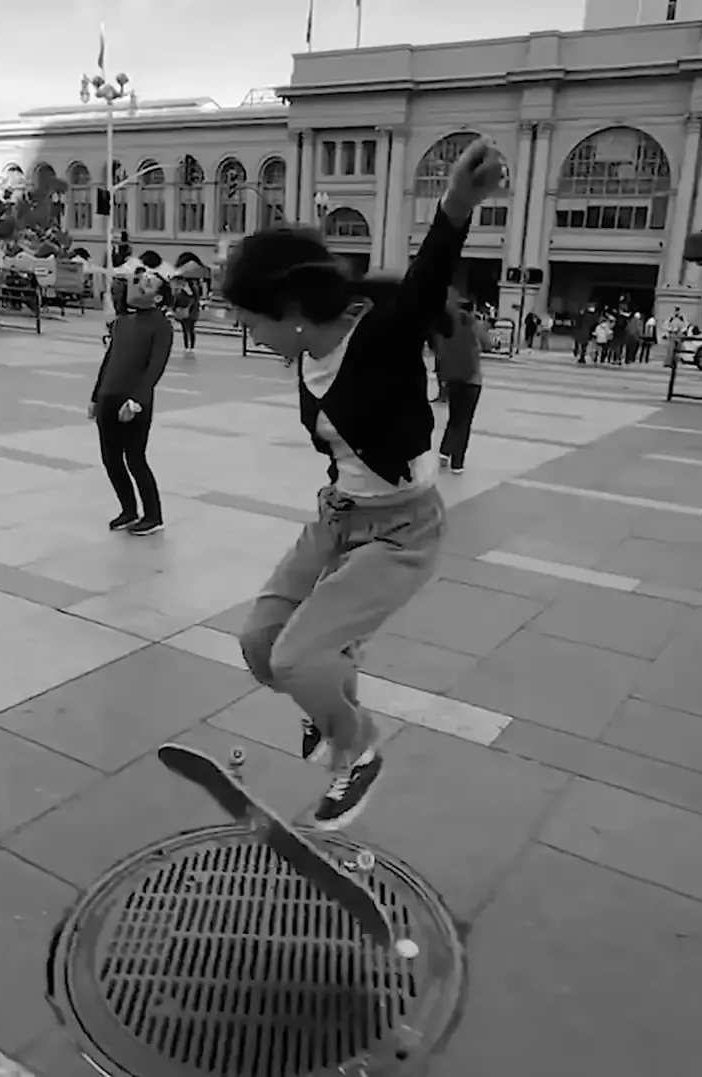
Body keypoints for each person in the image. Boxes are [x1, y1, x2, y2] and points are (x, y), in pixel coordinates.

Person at [220, 137, 505, 829]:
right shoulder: (306, 357)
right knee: (261, 645)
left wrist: (457, 204)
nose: (246, 333)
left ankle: (358, 748)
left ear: (288, 308)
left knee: (299, 657)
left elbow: (426, 282)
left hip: (402, 531)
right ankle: (328, 695)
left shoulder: (380, 337)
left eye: (250, 321)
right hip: (338, 518)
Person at [88, 265, 173, 535]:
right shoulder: (123, 322)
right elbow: (109, 361)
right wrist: (95, 396)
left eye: (149, 283)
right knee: (110, 458)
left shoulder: (161, 325)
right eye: (140, 280)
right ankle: (128, 510)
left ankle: (153, 516)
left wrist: (136, 401)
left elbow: (155, 368)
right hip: (108, 396)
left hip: (134, 401)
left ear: (158, 297)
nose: (140, 283)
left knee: (135, 458)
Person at [433, 292, 483, 474]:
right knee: (465, 421)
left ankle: (444, 452)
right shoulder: (474, 325)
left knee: (454, 417)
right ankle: (457, 462)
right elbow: (486, 343)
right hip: (472, 380)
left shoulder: (449, 328)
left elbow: (439, 350)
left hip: (453, 378)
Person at [171, 277, 202, 357]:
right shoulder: (192, 292)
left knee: (187, 330)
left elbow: (177, 301)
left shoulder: (186, 292)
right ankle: (190, 346)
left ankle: (188, 346)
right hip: (191, 313)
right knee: (190, 330)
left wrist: (175, 308)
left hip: (187, 313)